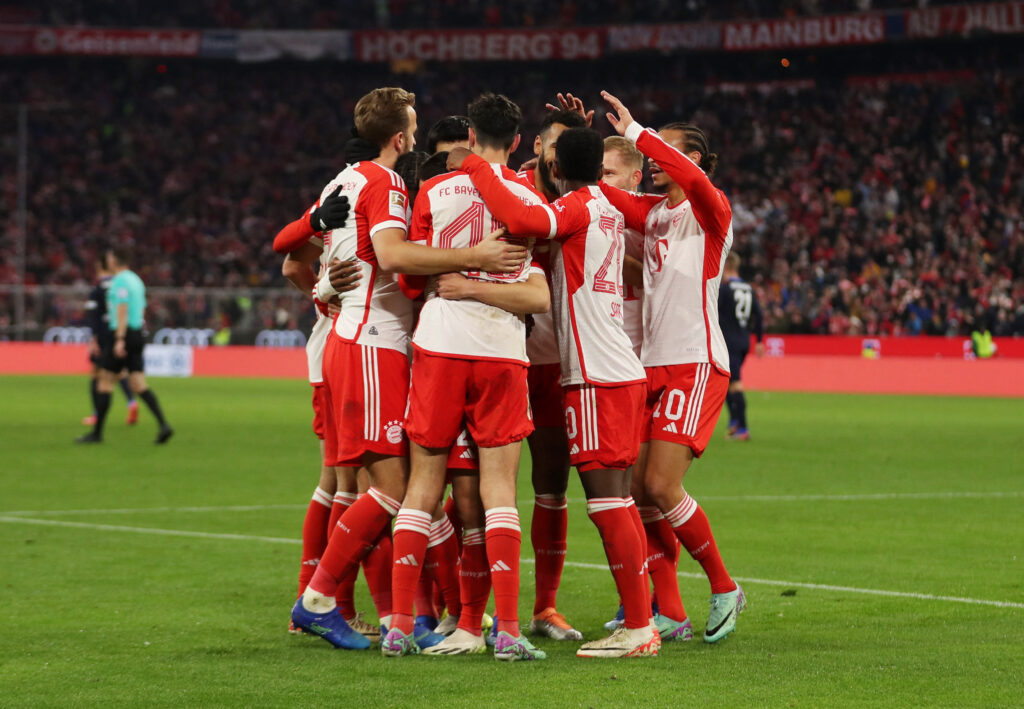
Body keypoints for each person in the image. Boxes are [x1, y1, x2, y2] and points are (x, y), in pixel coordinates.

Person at [289, 86, 527, 651]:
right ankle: (323, 598)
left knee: (376, 487)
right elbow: (394, 257)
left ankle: (407, 615)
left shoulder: (344, 180)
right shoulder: (387, 183)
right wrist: (477, 257)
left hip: (361, 342)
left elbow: (291, 250)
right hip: (374, 341)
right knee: (392, 490)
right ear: (402, 137)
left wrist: (322, 286)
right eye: (415, 128)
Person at [449, 126, 660, 659]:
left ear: (559, 168)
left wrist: (476, 166)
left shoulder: (579, 207)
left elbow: (523, 218)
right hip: (617, 367)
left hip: (593, 373)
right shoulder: (609, 205)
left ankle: (639, 626)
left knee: (609, 501)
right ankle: (640, 620)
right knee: (619, 500)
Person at [385, 92, 550, 661]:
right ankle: (506, 630)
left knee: (423, 484)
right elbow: (538, 280)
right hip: (503, 345)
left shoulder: (431, 190)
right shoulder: (530, 195)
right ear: (520, 142)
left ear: (471, 139)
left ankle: (400, 625)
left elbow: (411, 272)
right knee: (499, 488)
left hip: (439, 342)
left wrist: (447, 272)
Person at [598, 91, 746, 644]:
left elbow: (696, 181)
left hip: (694, 362)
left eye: (667, 151)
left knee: (661, 483)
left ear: (696, 160)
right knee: (637, 489)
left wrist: (638, 131)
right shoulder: (655, 214)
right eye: (653, 151)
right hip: (651, 365)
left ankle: (725, 586)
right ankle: (672, 611)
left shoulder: (711, 211)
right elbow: (606, 196)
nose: (655, 160)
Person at [518, 108, 590, 643]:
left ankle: (545, 608)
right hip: (496, 354)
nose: (561, 156)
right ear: (539, 148)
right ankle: (456, 608)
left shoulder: (580, 201)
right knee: (469, 487)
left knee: (551, 486)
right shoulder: (510, 188)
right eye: (556, 145)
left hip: (554, 360)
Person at [76, 247, 172, 445]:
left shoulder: (120, 281)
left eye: (109, 258)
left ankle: (97, 434)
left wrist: (119, 338)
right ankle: (164, 425)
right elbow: (140, 308)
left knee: (104, 381)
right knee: (138, 383)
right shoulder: (136, 280)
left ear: (116, 261)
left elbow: (122, 308)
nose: (107, 261)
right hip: (137, 332)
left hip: (122, 333)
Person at [81, 257, 137, 428]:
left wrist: (93, 339)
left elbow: (93, 317)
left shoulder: (97, 290)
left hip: (102, 335)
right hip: (117, 333)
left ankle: (96, 414)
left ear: (100, 270)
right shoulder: (120, 286)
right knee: (118, 373)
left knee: (97, 375)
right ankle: (131, 402)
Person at [718, 252, 764, 440]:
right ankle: (735, 422)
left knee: (735, 383)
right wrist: (759, 340)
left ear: (726, 266)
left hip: (729, 341)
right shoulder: (748, 289)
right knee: (727, 382)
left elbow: (714, 312)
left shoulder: (725, 289)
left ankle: (743, 427)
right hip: (744, 340)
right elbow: (759, 315)